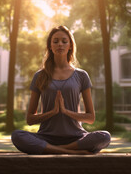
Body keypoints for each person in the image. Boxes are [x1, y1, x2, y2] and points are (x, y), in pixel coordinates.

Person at [12, 25, 111, 155]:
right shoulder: (40, 76)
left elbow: (90, 118)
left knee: (104, 136)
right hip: (46, 137)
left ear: (70, 45)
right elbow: (30, 119)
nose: (60, 44)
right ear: (50, 46)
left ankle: (59, 149)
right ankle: (72, 151)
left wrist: (66, 112)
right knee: (17, 136)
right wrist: (53, 112)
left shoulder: (81, 75)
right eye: (56, 41)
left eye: (64, 41)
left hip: (76, 137)